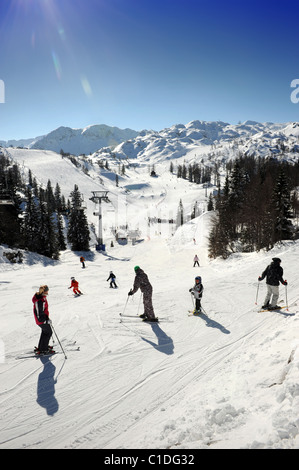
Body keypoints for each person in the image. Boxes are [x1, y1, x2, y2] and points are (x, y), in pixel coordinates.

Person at [32, 285, 54, 355]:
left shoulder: (42, 298)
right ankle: (43, 349)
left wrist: (47, 318)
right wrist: (44, 320)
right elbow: (39, 313)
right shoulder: (39, 300)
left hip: (43, 319)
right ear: (43, 291)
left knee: (45, 332)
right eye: (47, 290)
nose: (48, 291)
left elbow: (43, 310)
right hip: (41, 320)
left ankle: (42, 347)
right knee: (48, 332)